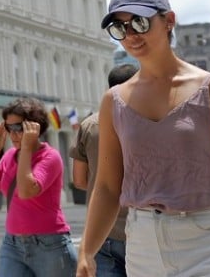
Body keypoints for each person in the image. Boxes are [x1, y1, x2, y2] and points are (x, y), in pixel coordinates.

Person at [77, 0, 210, 277]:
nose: (131, 35)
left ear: (169, 21)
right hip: (144, 245)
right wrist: (87, 251)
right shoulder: (115, 101)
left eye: (139, 21)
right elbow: (108, 187)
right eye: (120, 28)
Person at [0, 97, 76, 276]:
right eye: (9, 128)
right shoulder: (9, 156)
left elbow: (26, 190)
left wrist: (27, 148)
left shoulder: (50, 157)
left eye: (18, 128)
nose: (13, 134)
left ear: (34, 127)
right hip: (13, 244)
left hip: (49, 245)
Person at [69, 64, 137, 277]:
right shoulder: (148, 121)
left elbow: (79, 180)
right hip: (141, 228)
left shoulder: (90, 125)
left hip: (102, 231)